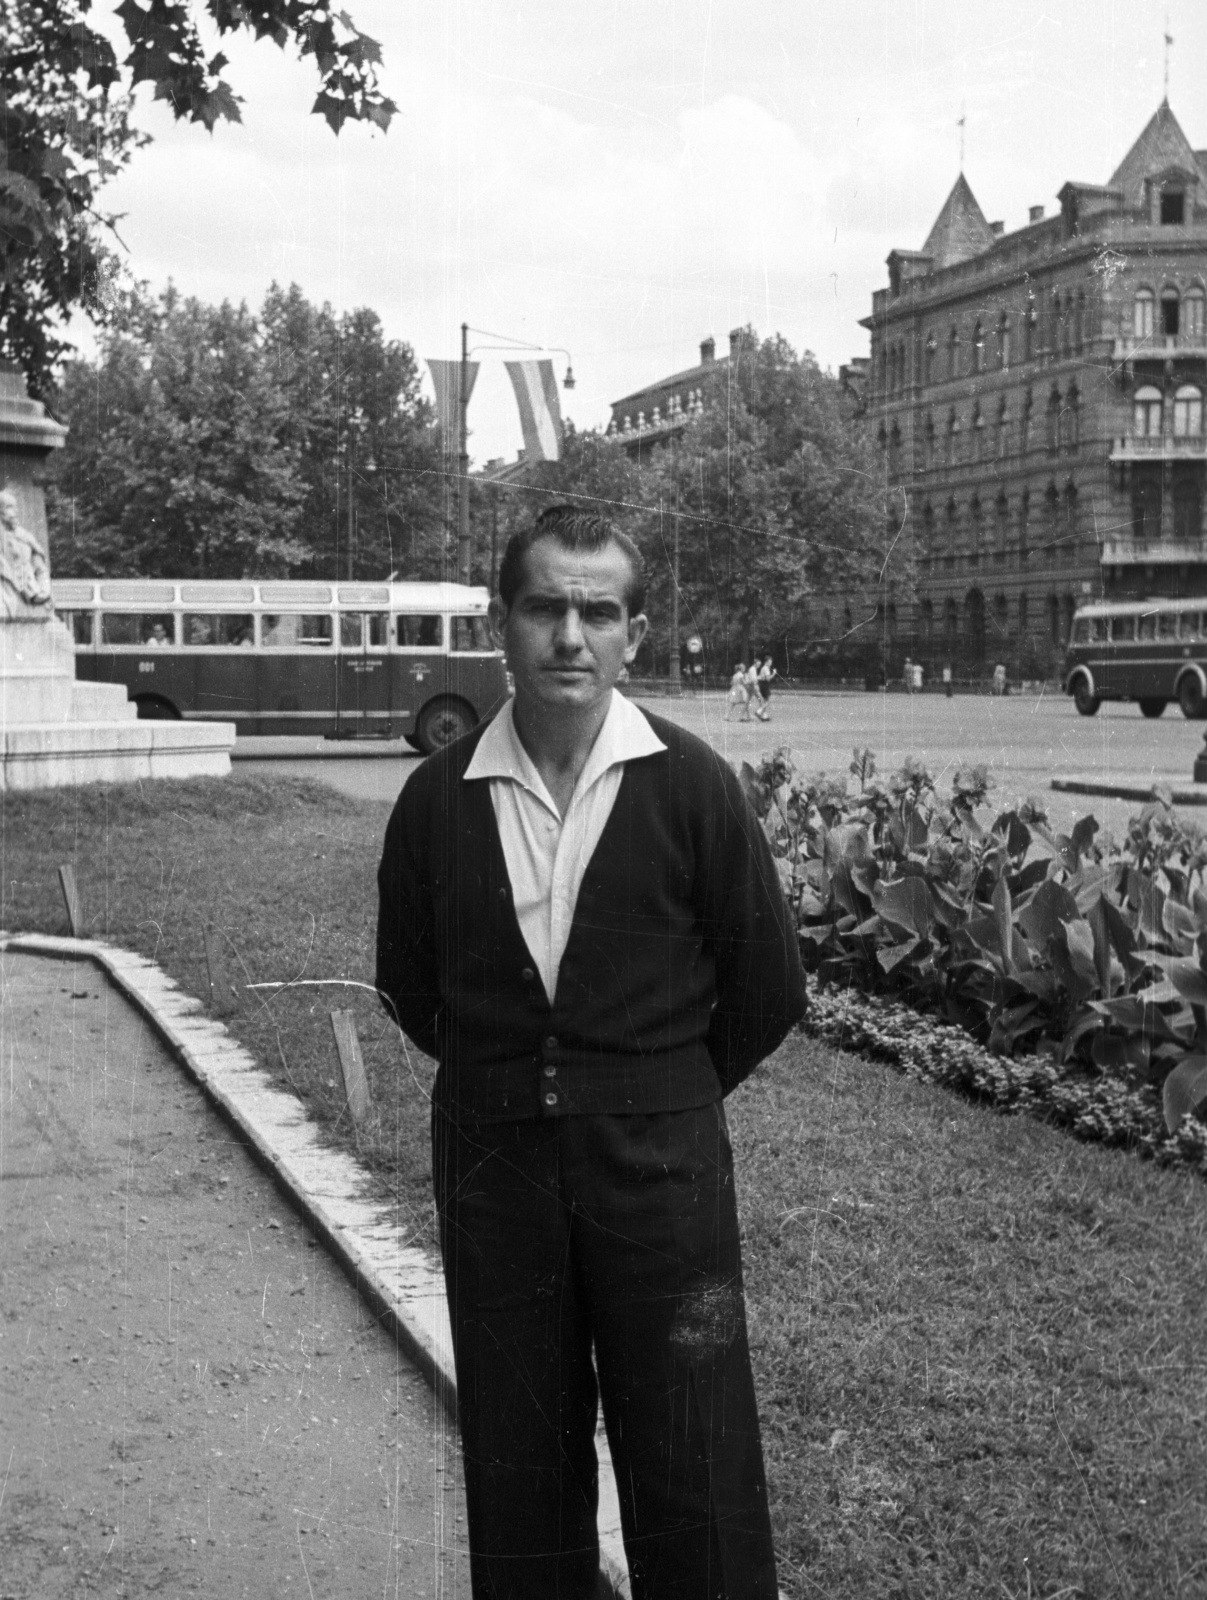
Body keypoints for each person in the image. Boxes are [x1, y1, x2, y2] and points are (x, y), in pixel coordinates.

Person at [376, 504, 807, 1600]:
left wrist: (651, 1090)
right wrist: (520, 1083)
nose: (571, 637)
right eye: (545, 607)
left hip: (660, 1178)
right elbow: (411, 986)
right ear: (502, 621)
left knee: (692, 1452)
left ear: (635, 633)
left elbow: (766, 986)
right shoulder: (435, 802)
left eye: (597, 611)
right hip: (496, 1174)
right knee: (520, 1464)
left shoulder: (694, 786)